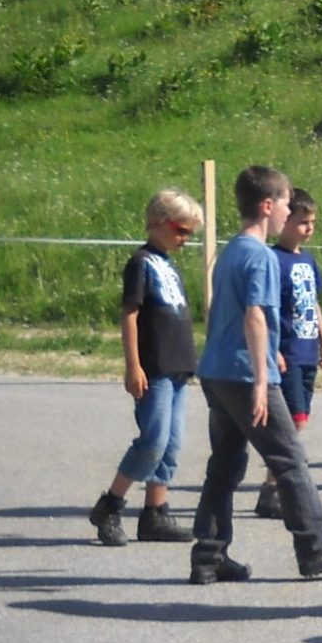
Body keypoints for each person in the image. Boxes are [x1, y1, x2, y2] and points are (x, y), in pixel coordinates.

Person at [189, 166, 322, 585]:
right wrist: (260, 380)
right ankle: (315, 546)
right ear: (268, 206)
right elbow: (254, 316)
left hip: (217, 370)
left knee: (226, 464)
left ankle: (209, 555)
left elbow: (220, 312)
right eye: (286, 202)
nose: (289, 210)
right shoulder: (262, 256)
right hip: (245, 374)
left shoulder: (230, 251)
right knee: (289, 458)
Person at [89, 189, 203, 548]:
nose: (185, 239)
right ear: (158, 223)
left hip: (178, 367)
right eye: (180, 230)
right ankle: (110, 505)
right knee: (153, 441)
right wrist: (133, 365)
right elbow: (131, 314)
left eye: (190, 233)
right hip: (154, 368)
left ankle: (156, 511)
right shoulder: (140, 263)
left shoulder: (168, 264)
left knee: (172, 444)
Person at [255, 188, 322, 520]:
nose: (309, 228)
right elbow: (264, 309)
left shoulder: (308, 261)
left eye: (312, 222)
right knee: (292, 423)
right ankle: (274, 488)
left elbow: (313, 303)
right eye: (302, 222)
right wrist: (272, 349)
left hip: (308, 350)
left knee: (300, 420)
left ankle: (274, 486)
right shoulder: (274, 260)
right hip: (286, 352)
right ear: (285, 222)